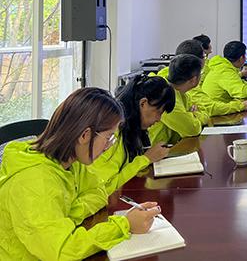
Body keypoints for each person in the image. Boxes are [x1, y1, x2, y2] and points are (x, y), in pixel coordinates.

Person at [0, 88, 160, 260]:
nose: (109, 146)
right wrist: (125, 224)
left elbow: (99, 191)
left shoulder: (70, 161)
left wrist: (69, 214)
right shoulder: (34, 182)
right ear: (85, 135)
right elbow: (63, 251)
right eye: (108, 138)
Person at [89, 75, 176, 194]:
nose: (159, 119)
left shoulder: (132, 129)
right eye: (158, 112)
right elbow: (104, 188)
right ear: (143, 103)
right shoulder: (112, 134)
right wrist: (145, 159)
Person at [157, 39, 247, 116]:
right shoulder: (179, 85)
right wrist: (240, 105)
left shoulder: (172, 77)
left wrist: (196, 114)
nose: (206, 60)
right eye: (204, 56)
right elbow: (207, 112)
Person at [149, 54, 210, 145]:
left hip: (172, 145)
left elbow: (205, 111)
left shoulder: (181, 91)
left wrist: (193, 116)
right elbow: (192, 129)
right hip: (158, 149)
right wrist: (193, 115)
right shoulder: (164, 95)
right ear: (193, 80)